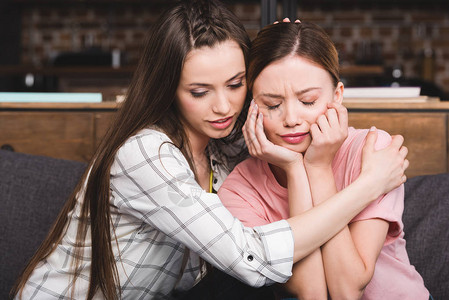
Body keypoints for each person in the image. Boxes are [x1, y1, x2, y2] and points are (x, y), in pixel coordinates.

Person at [11, 1, 409, 298]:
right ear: (169, 89)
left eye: (236, 85)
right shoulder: (146, 154)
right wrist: (369, 184)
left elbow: (282, 110)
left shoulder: (229, 144)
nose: (223, 107)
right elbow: (251, 259)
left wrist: (285, 50)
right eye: (199, 92)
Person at [219, 21, 429, 299]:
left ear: (337, 96)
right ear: (251, 106)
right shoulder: (238, 191)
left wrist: (319, 168)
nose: (292, 119)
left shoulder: (373, 150)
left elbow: (347, 290)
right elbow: (311, 292)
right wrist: (296, 168)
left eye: (308, 102)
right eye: (272, 105)